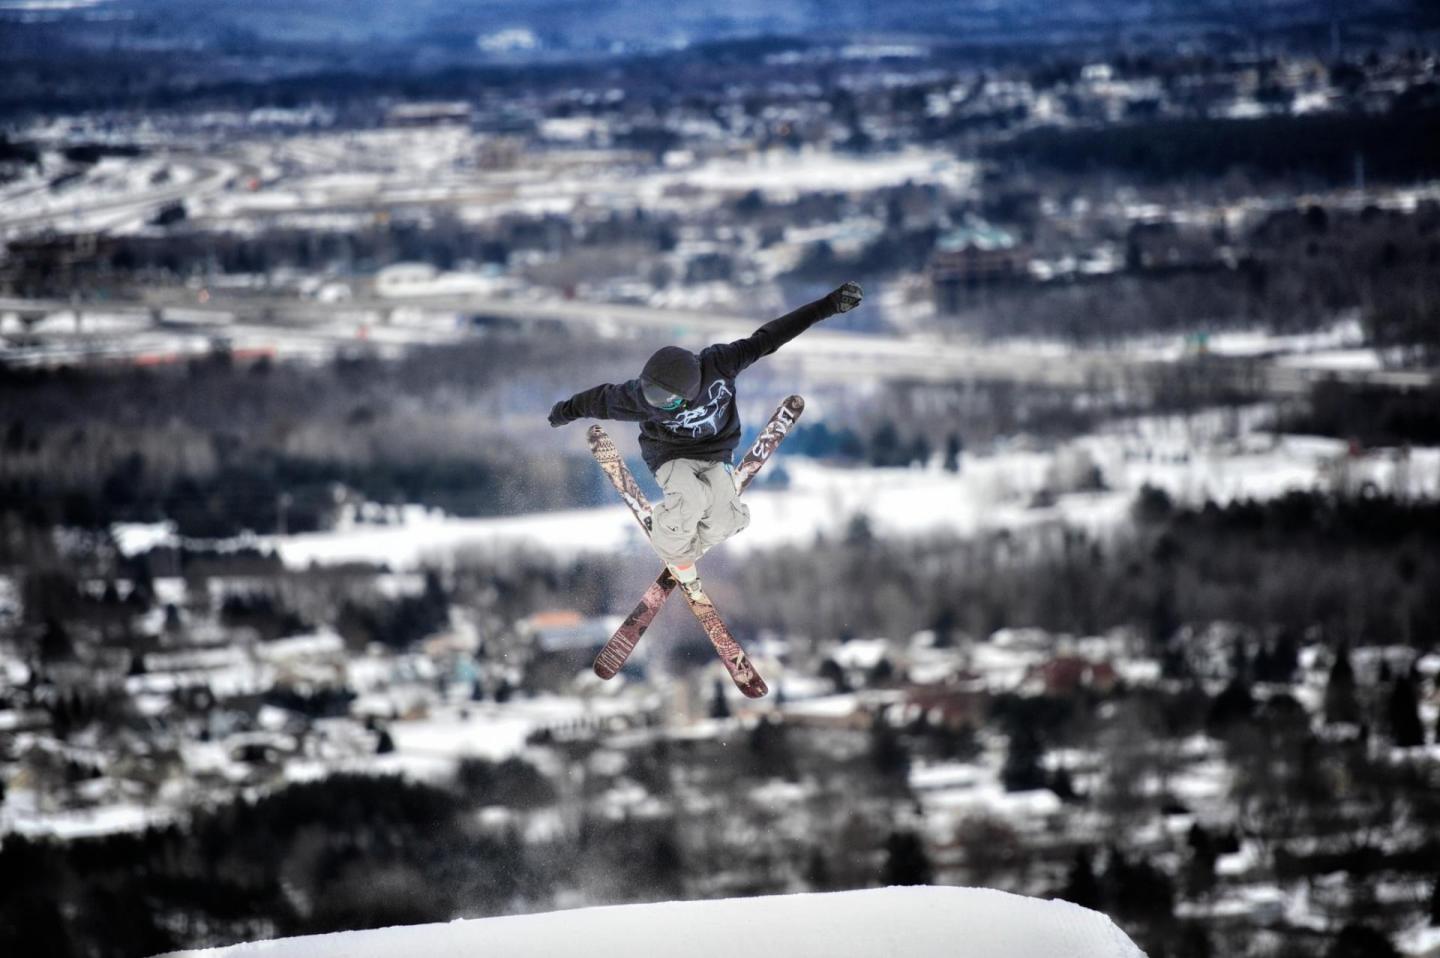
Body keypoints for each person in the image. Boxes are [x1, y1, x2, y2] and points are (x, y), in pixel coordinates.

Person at [549, 281, 863, 596]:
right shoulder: (639, 398)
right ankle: (675, 546)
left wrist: (828, 305)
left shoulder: (723, 363)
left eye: (669, 402)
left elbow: (772, 336)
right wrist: (564, 411)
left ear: (688, 392)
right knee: (693, 499)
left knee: (728, 520)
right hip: (669, 455)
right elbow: (598, 399)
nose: (660, 406)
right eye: (654, 399)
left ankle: (679, 543)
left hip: (716, 453)